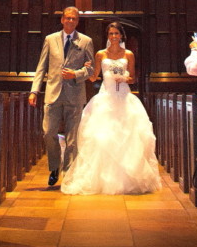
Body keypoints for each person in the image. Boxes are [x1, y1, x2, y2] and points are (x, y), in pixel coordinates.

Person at [61, 21, 161, 195]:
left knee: (129, 137)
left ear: (121, 35)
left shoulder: (128, 54)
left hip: (124, 98)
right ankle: (103, 178)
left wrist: (124, 79)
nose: (114, 37)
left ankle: (129, 178)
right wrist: (85, 69)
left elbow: (133, 78)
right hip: (106, 98)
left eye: (116, 33)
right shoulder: (101, 54)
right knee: (102, 138)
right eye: (111, 34)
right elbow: (93, 77)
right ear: (108, 36)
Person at [29, 6, 94, 186]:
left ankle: (68, 173)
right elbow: (41, 67)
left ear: (78, 21)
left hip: (75, 94)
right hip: (53, 93)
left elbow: (91, 69)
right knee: (49, 132)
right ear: (62, 20)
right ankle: (55, 166)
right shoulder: (50, 40)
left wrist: (76, 74)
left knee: (72, 138)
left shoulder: (86, 41)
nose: (70, 21)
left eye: (74, 19)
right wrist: (34, 91)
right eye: (67, 18)